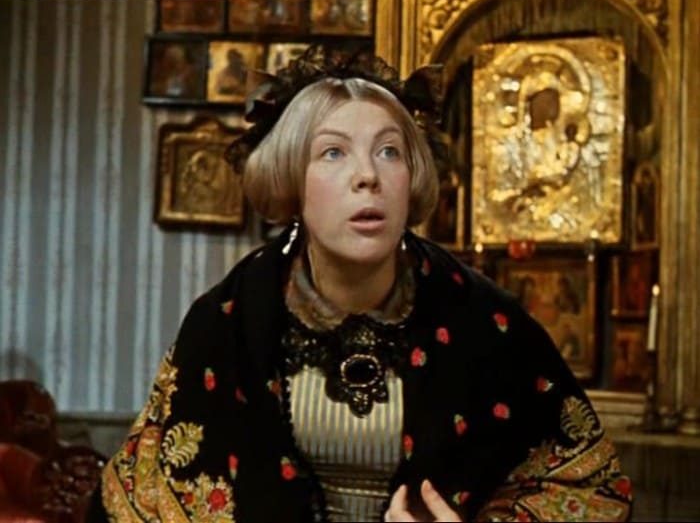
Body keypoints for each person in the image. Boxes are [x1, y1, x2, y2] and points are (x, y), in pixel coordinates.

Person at [88, 45, 631, 522]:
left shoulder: (485, 320)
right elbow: (143, 498)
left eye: (389, 151)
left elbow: (589, 488)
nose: (368, 175)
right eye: (333, 152)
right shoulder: (227, 319)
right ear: (291, 179)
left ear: (411, 177)